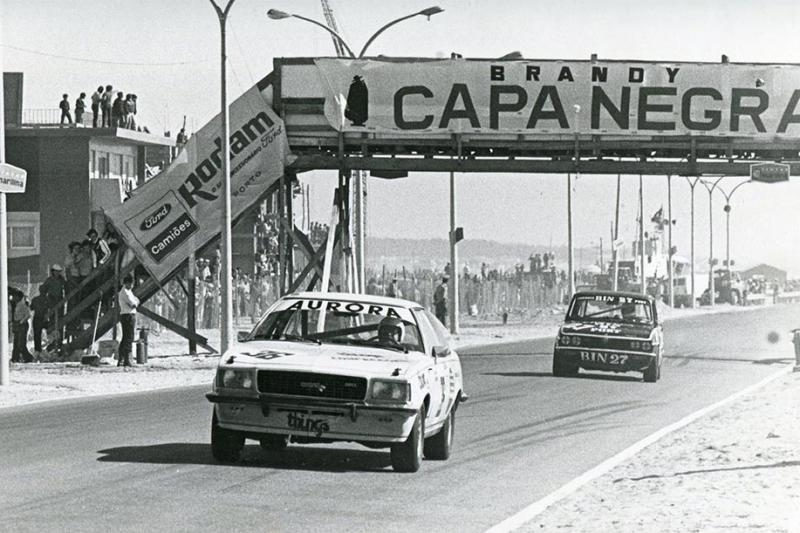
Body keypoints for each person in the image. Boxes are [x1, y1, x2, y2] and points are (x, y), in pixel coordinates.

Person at [117, 275, 139, 367]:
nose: (132, 286)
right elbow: (133, 303)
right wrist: (136, 301)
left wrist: (136, 301)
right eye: (131, 284)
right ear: (128, 283)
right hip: (128, 315)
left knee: (125, 337)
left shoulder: (128, 291)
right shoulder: (125, 292)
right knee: (129, 337)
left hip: (127, 314)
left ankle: (121, 359)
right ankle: (127, 359)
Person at [12, 295, 33, 363]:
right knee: (16, 341)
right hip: (17, 323)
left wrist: (22, 321)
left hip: (22, 324)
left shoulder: (22, 305)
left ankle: (28, 357)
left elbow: (28, 314)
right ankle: (15, 357)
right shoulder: (16, 305)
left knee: (21, 343)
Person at [30, 285, 50, 355]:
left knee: (37, 336)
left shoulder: (35, 299)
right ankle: (49, 346)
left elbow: (31, 308)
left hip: (37, 318)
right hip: (44, 318)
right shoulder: (48, 299)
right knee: (50, 331)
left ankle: (38, 350)